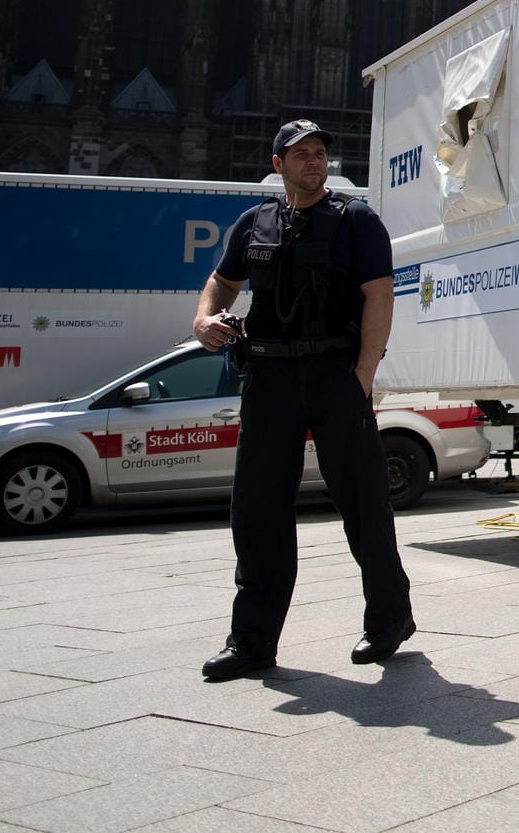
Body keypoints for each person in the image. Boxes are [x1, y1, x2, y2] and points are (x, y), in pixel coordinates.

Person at [190, 119, 414, 681]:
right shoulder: (254, 223)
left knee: (363, 503)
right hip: (268, 378)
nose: (315, 163)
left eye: (320, 154)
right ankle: (251, 643)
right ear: (278, 164)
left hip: (335, 373)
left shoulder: (356, 220)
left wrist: (362, 376)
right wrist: (203, 318)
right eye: (303, 155)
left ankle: (389, 620)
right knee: (258, 509)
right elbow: (222, 282)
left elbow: (379, 297)